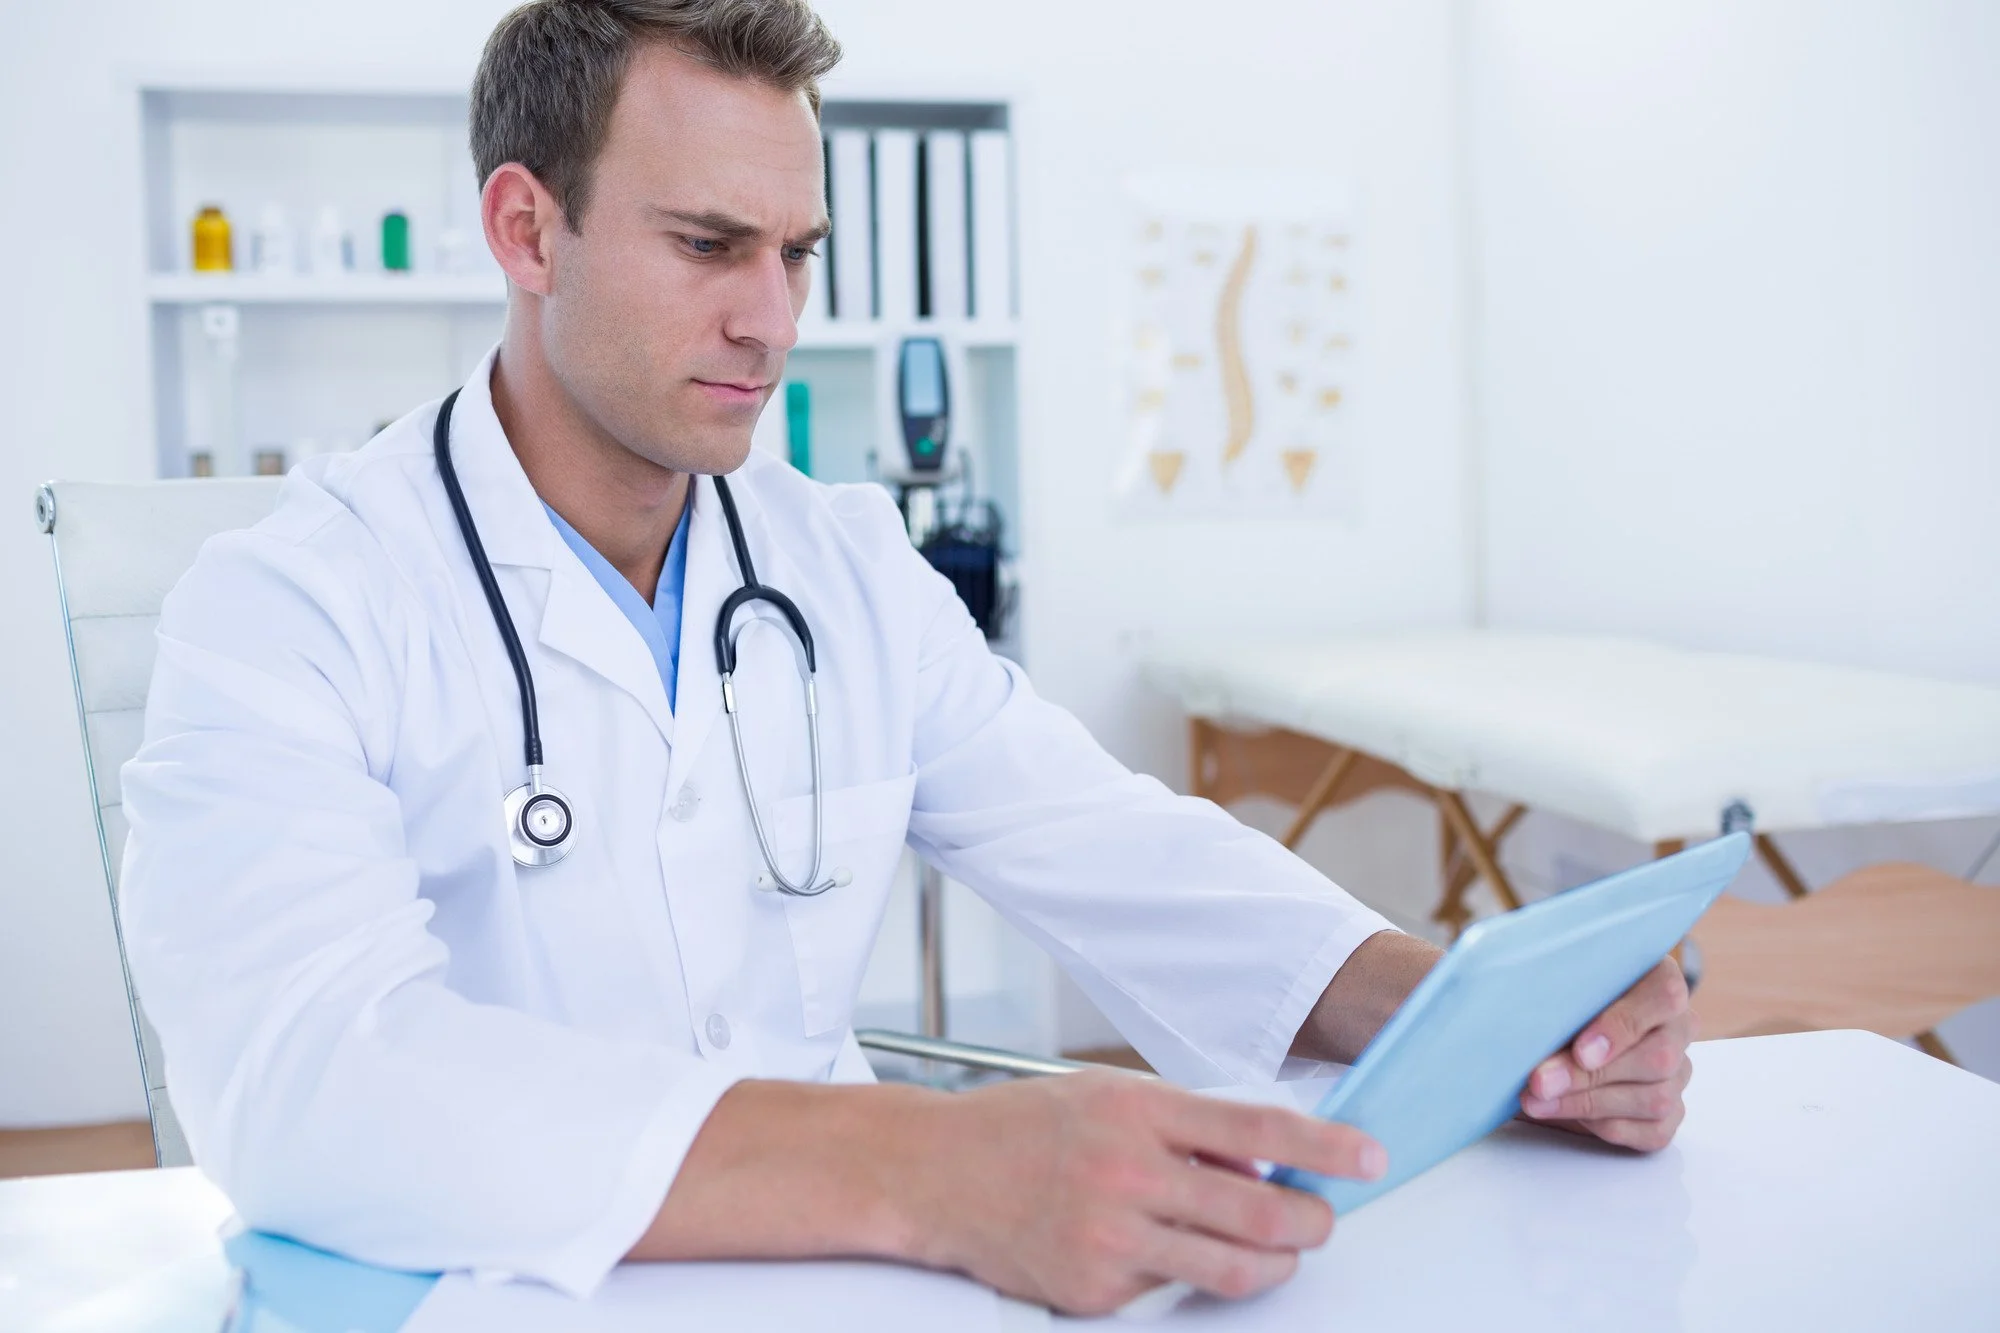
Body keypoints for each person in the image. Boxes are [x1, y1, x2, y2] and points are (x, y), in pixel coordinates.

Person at [119, 0, 1694, 1316]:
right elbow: (309, 1079)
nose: (772, 318)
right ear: (528, 227)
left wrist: (1475, 1024)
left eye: (797, 252)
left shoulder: (840, 567)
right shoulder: (288, 607)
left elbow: (1117, 850)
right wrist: (933, 1167)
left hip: (839, 1285)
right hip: (510, 1293)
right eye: (708, 245)